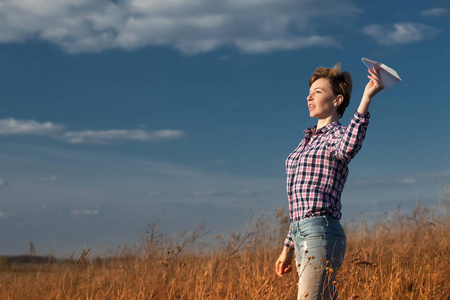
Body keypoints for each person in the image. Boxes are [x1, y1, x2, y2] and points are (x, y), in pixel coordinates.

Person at [275, 63, 384, 300]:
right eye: (309, 92)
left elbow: (350, 146)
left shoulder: (337, 137)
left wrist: (366, 97)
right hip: (301, 233)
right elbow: (300, 201)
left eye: (318, 91)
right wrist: (287, 248)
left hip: (321, 232)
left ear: (337, 100)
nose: (309, 97)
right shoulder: (306, 141)